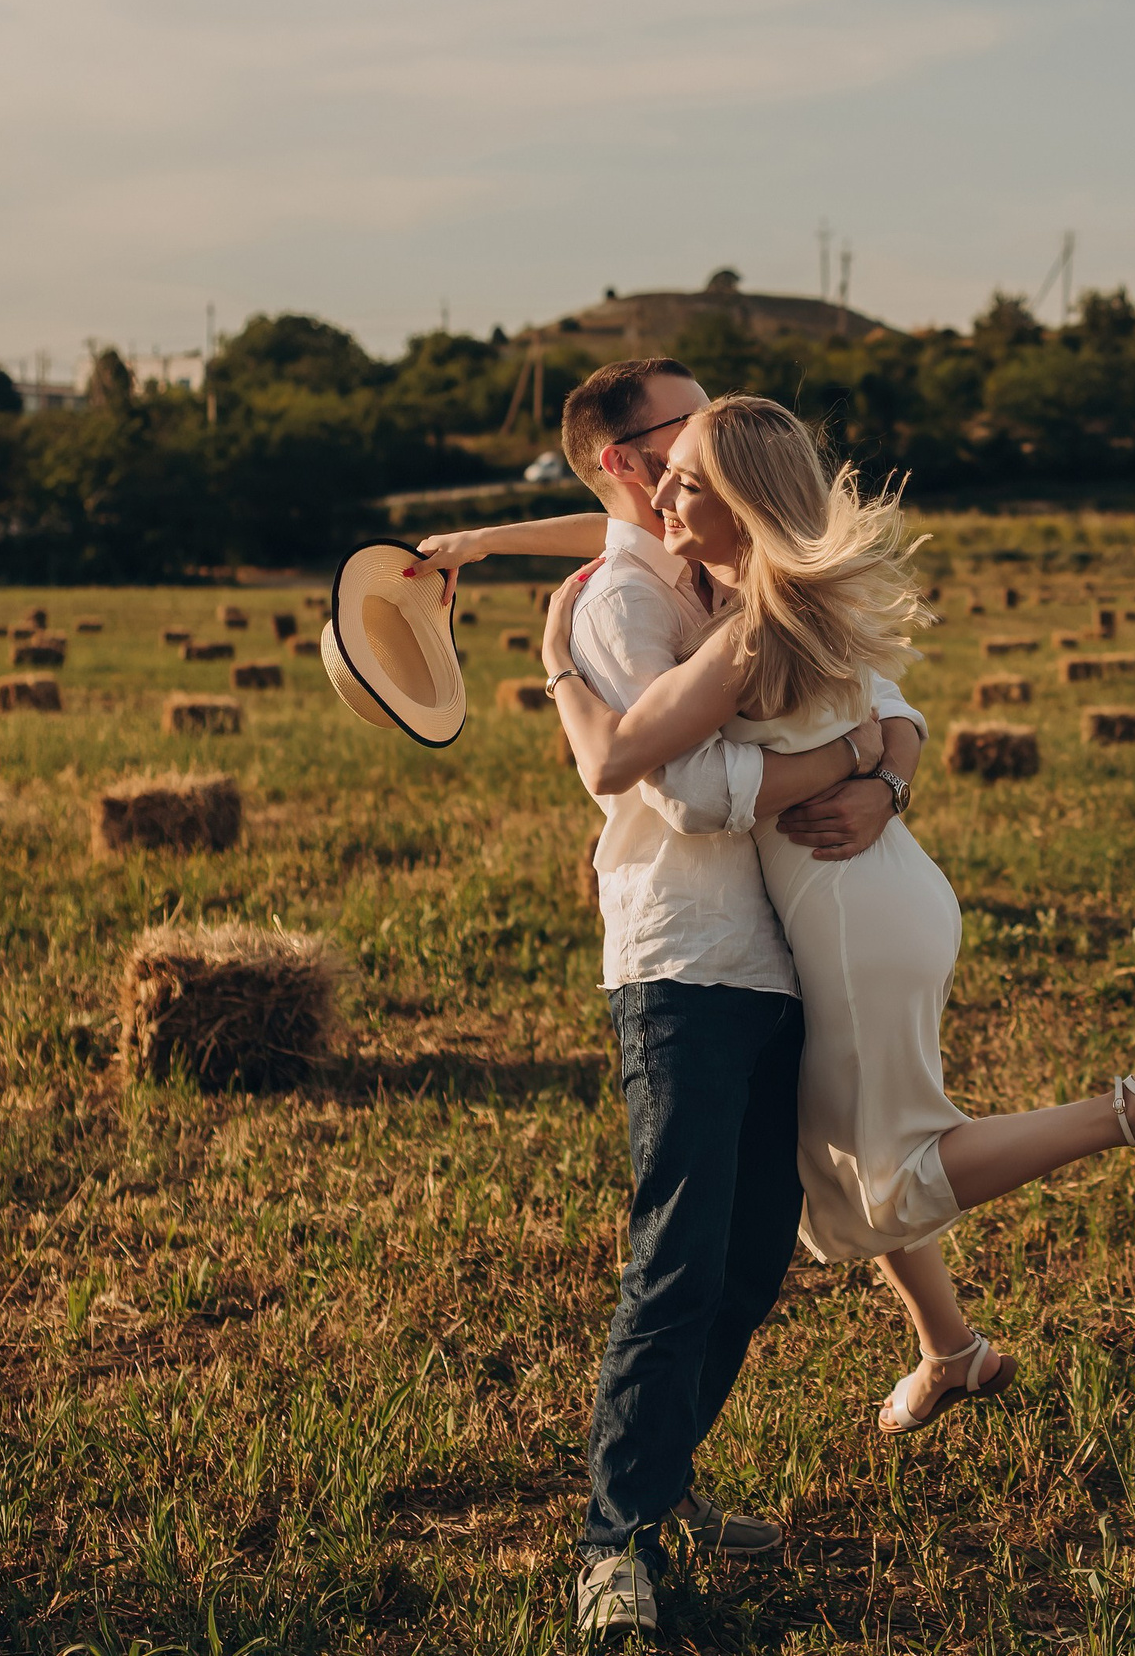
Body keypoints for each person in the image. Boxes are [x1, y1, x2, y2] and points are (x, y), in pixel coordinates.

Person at [521, 393, 1135, 1625]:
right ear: (624, 462)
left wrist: (873, 768)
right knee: (758, 1232)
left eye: (693, 470)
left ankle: (1127, 1112)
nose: (671, 490)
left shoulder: (747, 613)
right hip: (785, 930)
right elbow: (837, 724)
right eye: (663, 462)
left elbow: (651, 771)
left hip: (840, 921)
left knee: (878, 1183)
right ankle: (655, 1501)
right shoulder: (664, 591)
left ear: (734, 498)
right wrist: (867, 760)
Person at [413, 360, 927, 1641]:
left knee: (755, 1255)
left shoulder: (721, 562)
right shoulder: (615, 598)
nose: (702, 438)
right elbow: (683, 788)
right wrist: (843, 753)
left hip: (788, 951)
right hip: (685, 958)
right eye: (677, 428)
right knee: (679, 1253)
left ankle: (662, 1482)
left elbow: (883, 686)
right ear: (623, 462)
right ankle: (613, 1540)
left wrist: (884, 767)